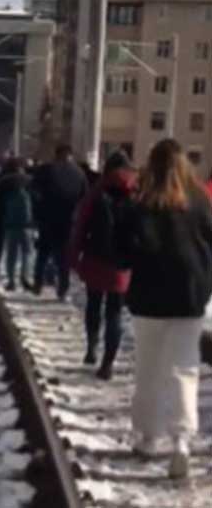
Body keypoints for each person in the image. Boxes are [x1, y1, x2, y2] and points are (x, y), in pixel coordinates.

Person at [124, 139, 212, 479]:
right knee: (184, 369)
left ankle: (148, 438)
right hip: (189, 299)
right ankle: (181, 442)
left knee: (148, 368)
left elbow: (123, 251)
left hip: (148, 299)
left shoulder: (141, 203)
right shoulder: (200, 202)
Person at [67, 151, 137, 380]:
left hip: (95, 259)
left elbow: (80, 226)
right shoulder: (136, 194)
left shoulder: (96, 192)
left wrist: (74, 256)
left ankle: (91, 348)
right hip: (122, 265)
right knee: (115, 313)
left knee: (94, 304)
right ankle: (107, 363)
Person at [31, 145, 88, 300]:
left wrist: (38, 213)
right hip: (67, 222)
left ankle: (38, 283)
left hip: (47, 219)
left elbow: (34, 192)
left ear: (56, 155)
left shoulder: (46, 170)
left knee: (42, 254)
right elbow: (84, 198)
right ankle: (63, 288)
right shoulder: (79, 173)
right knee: (63, 258)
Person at [0, 159, 34, 291]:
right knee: (27, 252)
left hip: (10, 224)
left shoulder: (3, 183)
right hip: (27, 225)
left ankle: (11, 280)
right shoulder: (29, 181)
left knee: (11, 254)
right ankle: (25, 277)